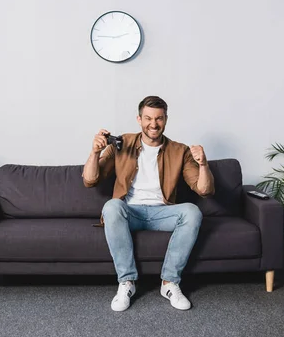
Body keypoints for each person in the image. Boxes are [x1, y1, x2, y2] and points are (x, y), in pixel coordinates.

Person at [82, 96, 215, 311]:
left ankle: (170, 282)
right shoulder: (121, 143)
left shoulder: (180, 151)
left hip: (163, 213)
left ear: (166, 119)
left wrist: (203, 163)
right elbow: (89, 180)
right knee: (111, 206)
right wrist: (95, 152)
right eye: (148, 118)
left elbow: (205, 190)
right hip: (130, 212)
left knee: (192, 211)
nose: (153, 124)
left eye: (159, 118)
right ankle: (126, 282)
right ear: (139, 119)